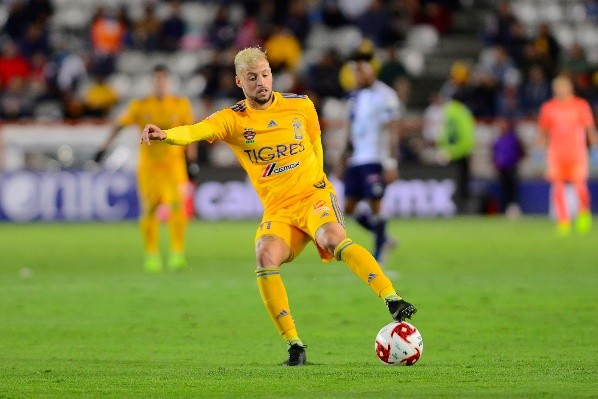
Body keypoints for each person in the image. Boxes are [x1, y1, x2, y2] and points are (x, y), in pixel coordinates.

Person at [140, 47, 417, 366]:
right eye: (253, 77)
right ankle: (294, 345)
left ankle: (392, 298)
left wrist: (320, 184)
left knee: (332, 237)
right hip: (279, 211)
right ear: (239, 81)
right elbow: (195, 131)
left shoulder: (300, 105)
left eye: (266, 74)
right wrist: (166, 135)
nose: (261, 82)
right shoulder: (233, 120)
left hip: (314, 198)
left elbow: (316, 144)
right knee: (264, 255)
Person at [95, 65, 195, 272]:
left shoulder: (180, 104)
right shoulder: (140, 106)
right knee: (150, 209)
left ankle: (177, 253)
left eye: (163, 80)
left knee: (177, 208)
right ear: (152, 82)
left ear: (168, 82)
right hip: (149, 168)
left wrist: (191, 161)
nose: (160, 83)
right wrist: (104, 147)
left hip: (173, 166)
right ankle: (152, 255)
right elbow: (119, 125)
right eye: (156, 80)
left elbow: (190, 134)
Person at [339, 54, 401, 266]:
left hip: (376, 157)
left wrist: (391, 162)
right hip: (357, 159)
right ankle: (384, 237)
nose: (358, 76)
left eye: (362, 72)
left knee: (375, 204)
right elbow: (350, 130)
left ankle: (378, 252)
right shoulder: (354, 97)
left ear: (372, 72)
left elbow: (393, 129)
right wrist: (342, 159)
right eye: (356, 73)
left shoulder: (385, 95)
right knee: (348, 208)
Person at [537, 75, 598, 236]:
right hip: (556, 155)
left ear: (570, 88)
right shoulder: (548, 108)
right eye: (557, 88)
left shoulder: (580, 106)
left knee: (580, 188)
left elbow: (590, 129)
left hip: (577, 154)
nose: (560, 91)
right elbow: (543, 133)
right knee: (558, 189)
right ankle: (563, 221)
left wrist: (595, 150)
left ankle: (584, 214)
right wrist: (538, 154)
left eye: (562, 87)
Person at [492, 117, 524, 219]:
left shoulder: (513, 138)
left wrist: (515, 161)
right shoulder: (498, 139)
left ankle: (513, 208)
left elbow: (521, 152)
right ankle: (505, 209)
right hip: (502, 168)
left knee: (512, 189)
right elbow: (495, 154)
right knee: (504, 189)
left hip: (511, 167)